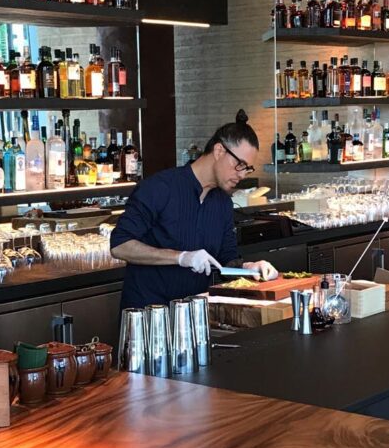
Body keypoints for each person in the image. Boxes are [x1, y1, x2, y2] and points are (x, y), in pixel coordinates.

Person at [110, 110, 278, 309]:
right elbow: (120, 245)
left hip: (193, 313)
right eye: (239, 165)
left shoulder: (223, 203)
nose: (242, 175)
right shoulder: (160, 188)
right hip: (147, 314)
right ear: (219, 151)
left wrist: (248, 267)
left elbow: (226, 259)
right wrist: (181, 257)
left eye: (248, 168)